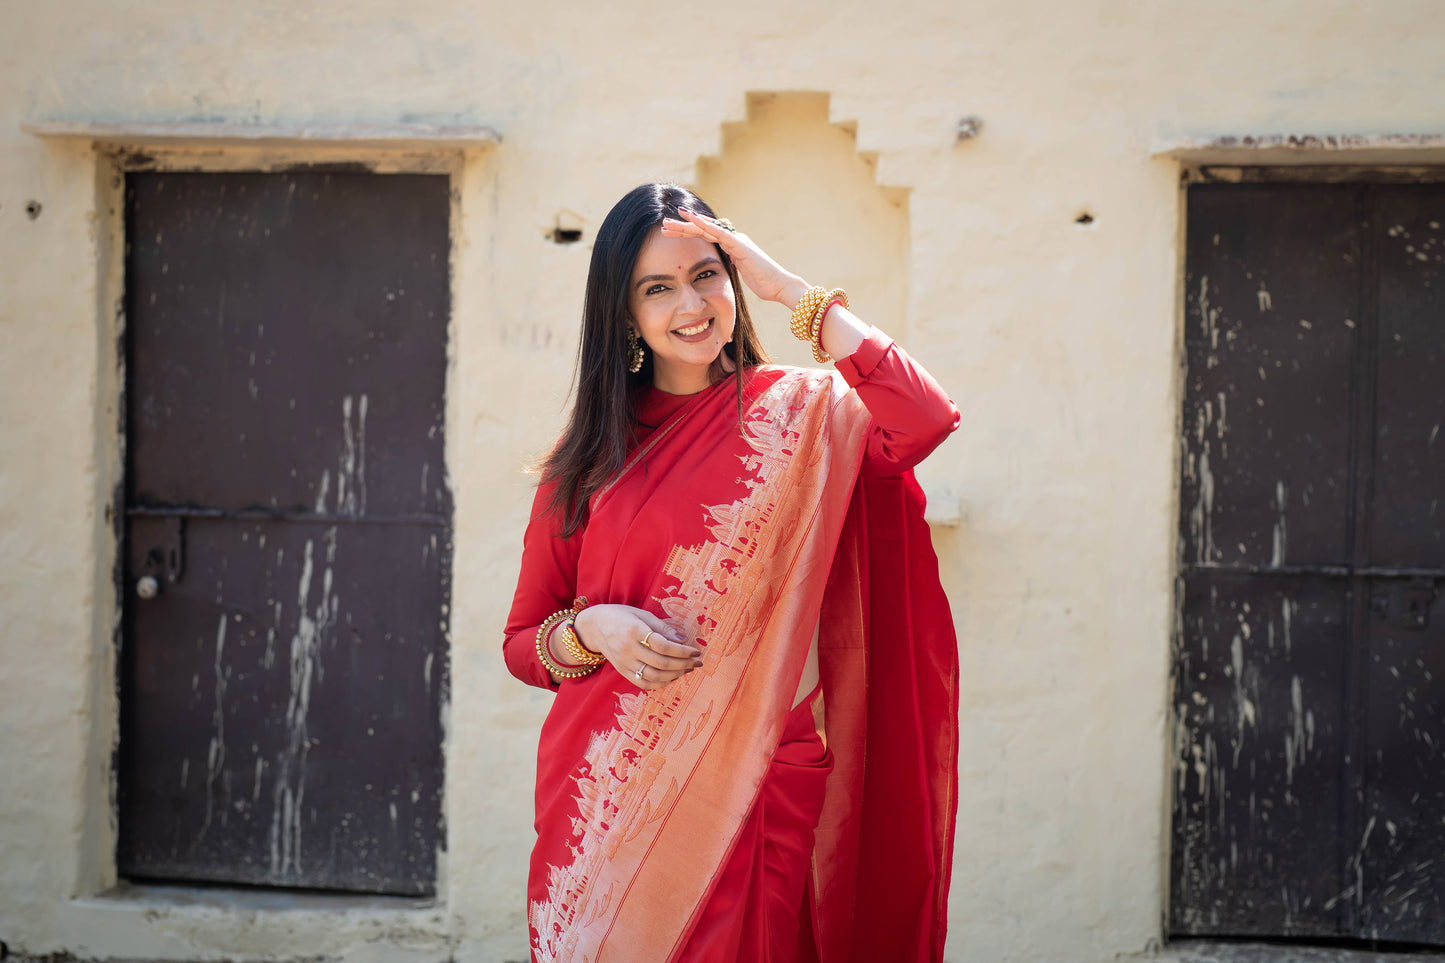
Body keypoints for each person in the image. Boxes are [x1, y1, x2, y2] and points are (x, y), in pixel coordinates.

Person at [503, 183, 961, 963]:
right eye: (657, 287)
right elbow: (522, 641)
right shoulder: (584, 462)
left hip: (757, 783)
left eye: (706, 275)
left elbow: (924, 417)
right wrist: (589, 629)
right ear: (623, 312)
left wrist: (788, 290)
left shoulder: (804, 416)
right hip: (610, 796)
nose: (691, 303)